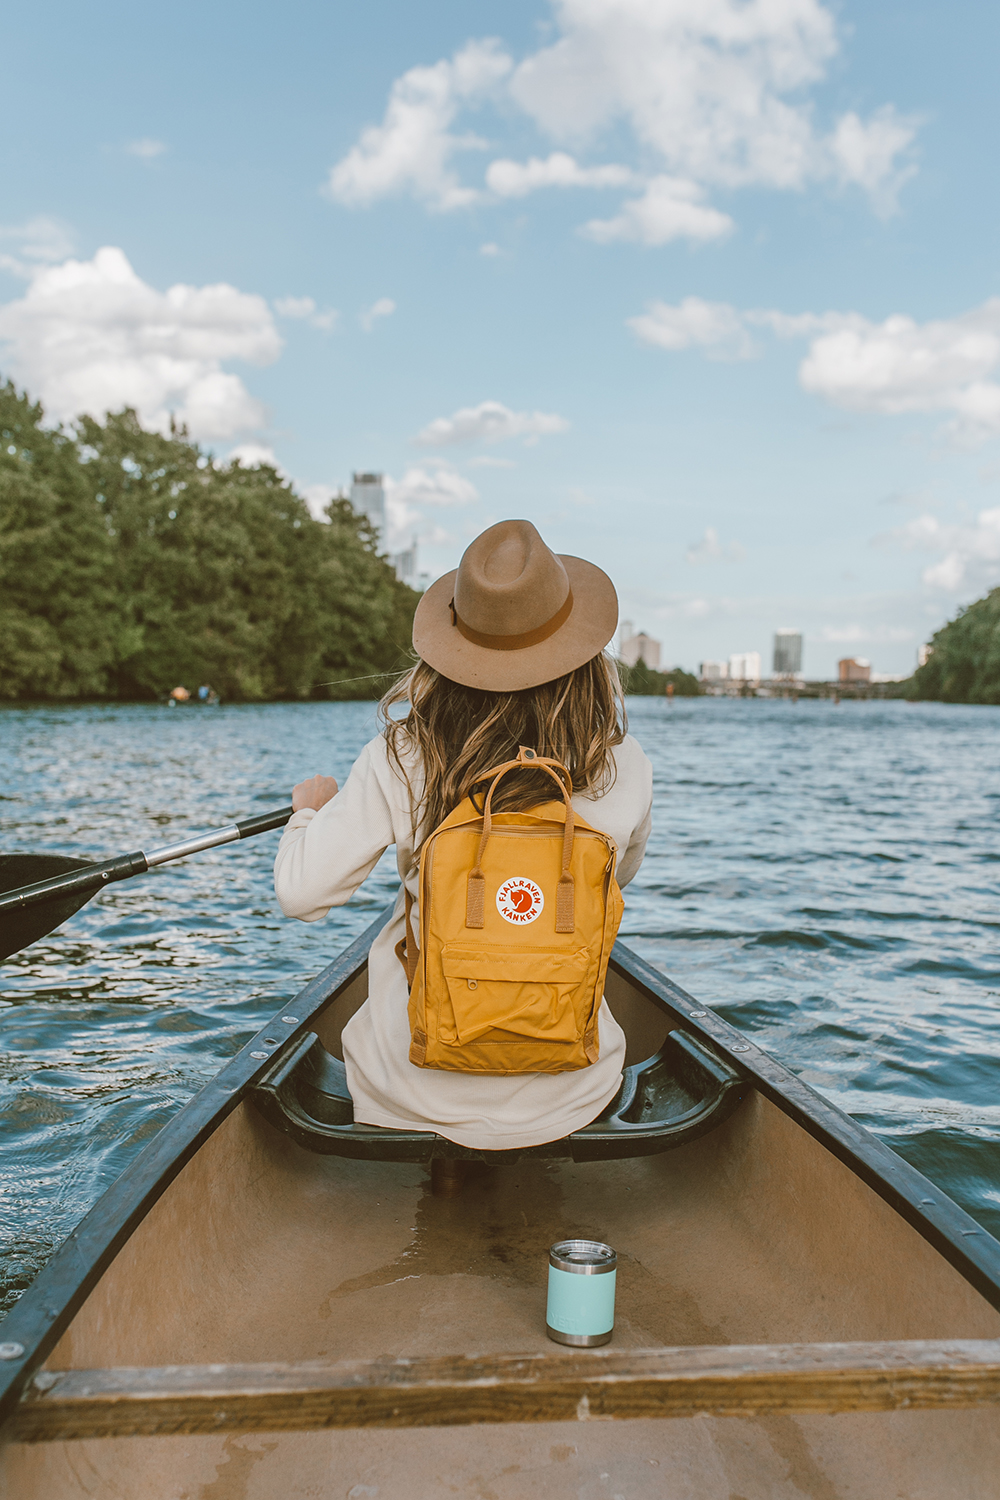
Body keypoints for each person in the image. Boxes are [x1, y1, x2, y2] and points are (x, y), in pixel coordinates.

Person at [274, 519, 653, 1152]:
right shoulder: (625, 763)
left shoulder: (402, 756)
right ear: (583, 654)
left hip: (407, 1092)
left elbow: (302, 896)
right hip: (573, 1090)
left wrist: (309, 814)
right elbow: (618, 876)